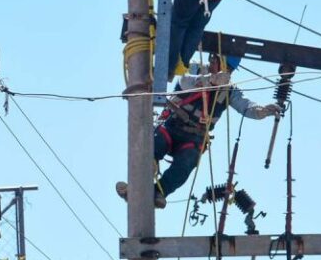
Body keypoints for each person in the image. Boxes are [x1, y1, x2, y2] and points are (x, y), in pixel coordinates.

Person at [116, 54, 279, 208]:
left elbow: (246, 106)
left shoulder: (229, 90)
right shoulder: (195, 69)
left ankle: (158, 193)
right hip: (172, 126)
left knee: (187, 163)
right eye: (224, 66)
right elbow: (184, 81)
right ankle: (136, 188)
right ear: (213, 59)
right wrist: (208, 80)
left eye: (230, 69)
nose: (226, 72)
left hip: (193, 138)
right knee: (154, 147)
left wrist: (262, 111)